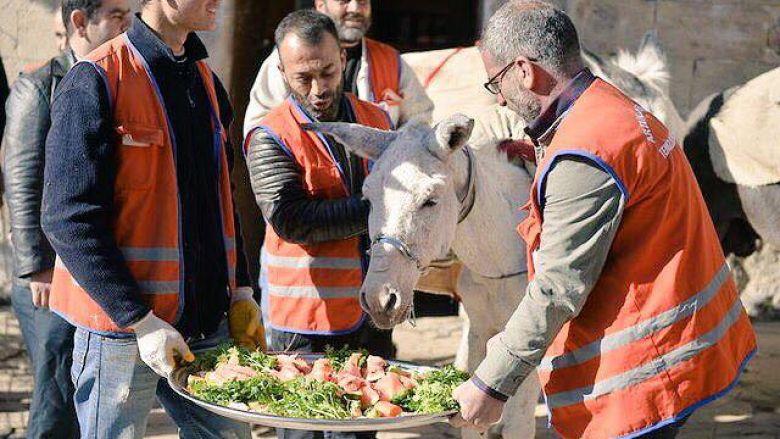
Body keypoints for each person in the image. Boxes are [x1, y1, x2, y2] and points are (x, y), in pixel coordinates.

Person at [451, 2, 757, 439]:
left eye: (495, 82)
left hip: (644, 372)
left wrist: (490, 382)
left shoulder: (586, 149)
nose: (497, 98)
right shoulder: (611, 108)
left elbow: (558, 287)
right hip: (680, 347)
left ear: (523, 70)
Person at [41, 0, 263, 437]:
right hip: (121, 334)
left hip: (205, 322)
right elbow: (66, 218)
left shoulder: (206, 83)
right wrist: (140, 320)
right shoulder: (96, 80)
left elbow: (221, 200)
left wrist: (241, 289)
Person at [245, 10, 394, 439]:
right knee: (304, 429)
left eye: (327, 72)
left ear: (343, 59)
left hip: (370, 311)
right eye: (303, 77)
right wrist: (377, 210)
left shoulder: (378, 121)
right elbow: (292, 220)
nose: (319, 88)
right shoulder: (271, 136)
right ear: (281, 71)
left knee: (360, 428)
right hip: (302, 321)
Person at [2, 1, 131, 436]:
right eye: (117, 15)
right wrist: (36, 265)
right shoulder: (39, 87)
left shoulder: (117, 79)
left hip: (92, 264)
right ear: (80, 22)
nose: (128, 24)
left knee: (85, 388)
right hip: (48, 273)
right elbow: (21, 178)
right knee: (55, 388)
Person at [243, 0, 432, 138]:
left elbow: (420, 122)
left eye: (363, 1)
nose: (356, 8)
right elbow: (260, 130)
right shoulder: (289, 58)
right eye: (345, 1)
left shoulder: (391, 60)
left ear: (342, 59)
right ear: (320, 5)